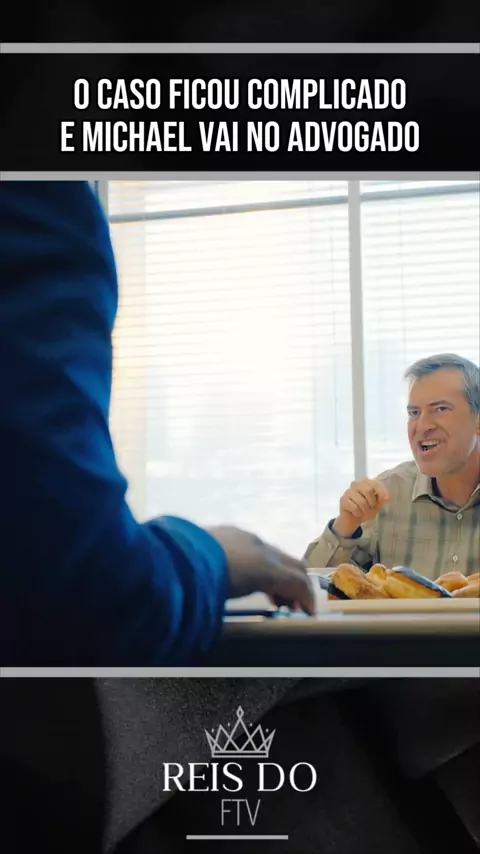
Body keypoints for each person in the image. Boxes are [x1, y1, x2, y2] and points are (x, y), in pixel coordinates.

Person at [0, 181, 314, 667]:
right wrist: (213, 557)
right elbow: (80, 591)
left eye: (435, 409)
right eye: (414, 411)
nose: (423, 425)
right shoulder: (35, 199)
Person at [306, 354, 480, 579]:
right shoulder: (385, 496)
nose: (422, 426)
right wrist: (345, 526)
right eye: (414, 413)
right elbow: (306, 586)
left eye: (440, 409)